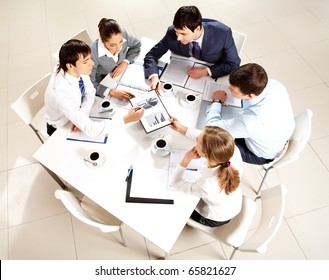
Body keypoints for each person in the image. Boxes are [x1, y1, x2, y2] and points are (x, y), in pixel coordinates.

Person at [45, 39, 144, 137]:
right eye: (85, 61)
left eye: (89, 58)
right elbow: (92, 131)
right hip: (62, 126)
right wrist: (126, 119)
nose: (92, 63)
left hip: (76, 112)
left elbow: (90, 91)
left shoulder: (75, 68)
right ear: (70, 66)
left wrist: (82, 116)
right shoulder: (62, 94)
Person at [206, 63, 295, 165]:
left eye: (233, 89)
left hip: (260, 154)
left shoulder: (250, 121)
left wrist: (216, 101)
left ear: (250, 95)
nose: (228, 88)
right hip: (278, 136)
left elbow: (211, 128)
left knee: (213, 142)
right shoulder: (275, 85)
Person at [144, 5, 240, 93]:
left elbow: (233, 64)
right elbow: (151, 55)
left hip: (211, 72)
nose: (178, 38)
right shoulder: (171, 32)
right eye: (177, 32)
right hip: (182, 71)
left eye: (183, 34)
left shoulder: (223, 33)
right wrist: (154, 77)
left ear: (198, 29)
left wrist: (206, 72)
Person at [170, 125, 243, 227]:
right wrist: (182, 129)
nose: (196, 142)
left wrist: (186, 159)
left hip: (216, 217)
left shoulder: (207, 186)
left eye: (197, 142)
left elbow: (175, 183)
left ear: (206, 156)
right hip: (233, 203)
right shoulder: (232, 150)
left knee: (180, 204)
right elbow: (210, 138)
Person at [90, 18, 141, 98]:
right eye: (112, 45)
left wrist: (125, 61)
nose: (118, 48)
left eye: (121, 42)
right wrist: (110, 91)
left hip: (122, 75)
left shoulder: (123, 34)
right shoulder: (93, 53)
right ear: (103, 42)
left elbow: (137, 45)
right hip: (103, 81)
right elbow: (89, 83)